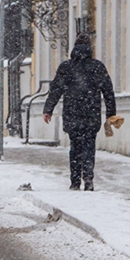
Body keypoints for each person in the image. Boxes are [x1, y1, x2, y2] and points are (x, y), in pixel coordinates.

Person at [42, 32, 116, 191]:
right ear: (90, 48)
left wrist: (48, 109)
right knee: (89, 146)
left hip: (72, 113)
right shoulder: (97, 67)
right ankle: (88, 178)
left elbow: (55, 89)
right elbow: (108, 91)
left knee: (75, 146)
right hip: (91, 113)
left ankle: (75, 181)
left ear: (74, 48)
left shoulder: (66, 67)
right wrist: (111, 114)